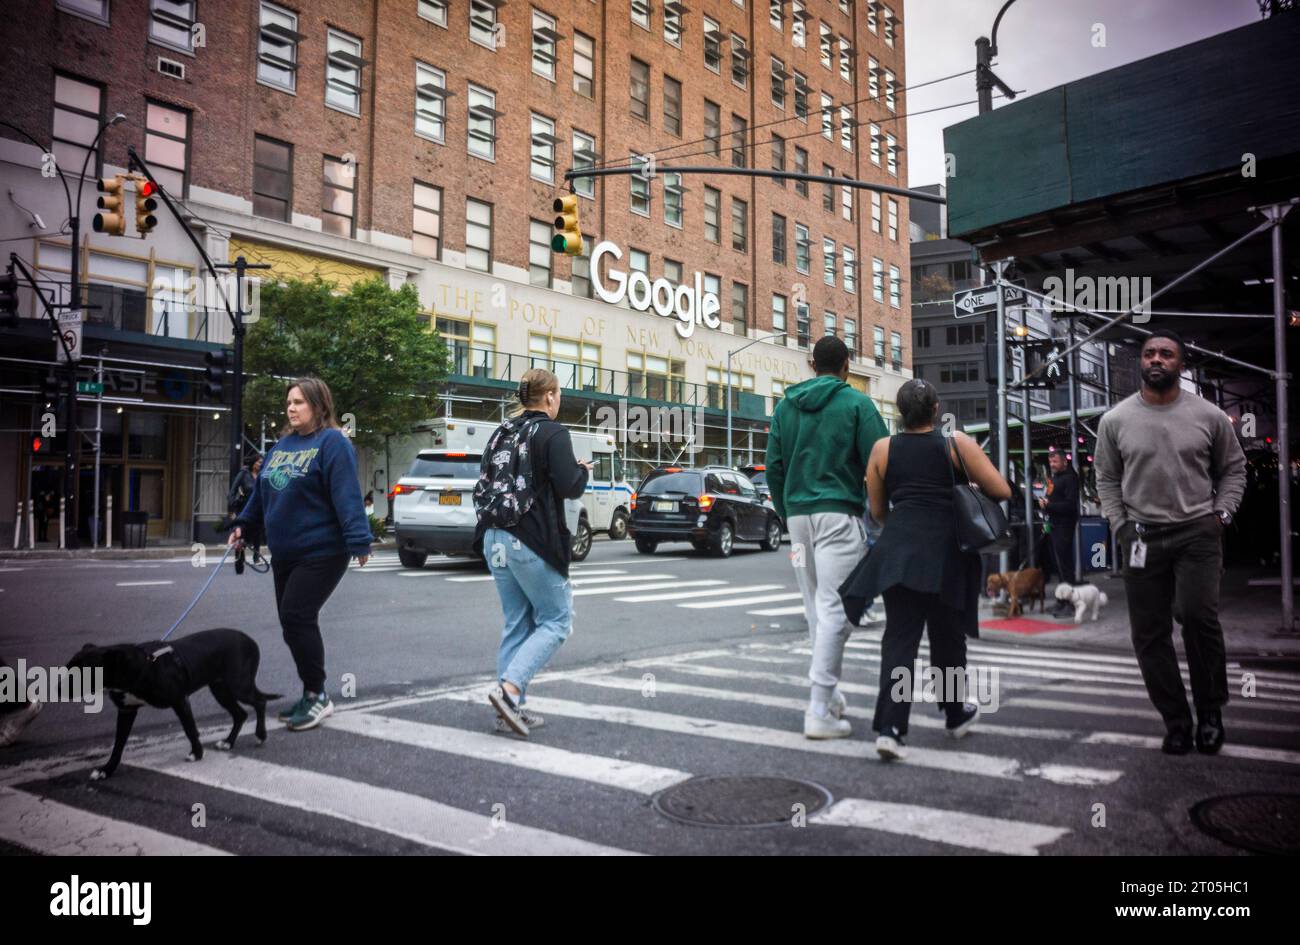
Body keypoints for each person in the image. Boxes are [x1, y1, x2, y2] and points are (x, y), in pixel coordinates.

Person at [841, 379, 1011, 761]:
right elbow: (1001, 490)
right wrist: (963, 486)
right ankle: (954, 715)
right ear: (936, 409)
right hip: (948, 553)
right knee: (948, 639)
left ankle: (891, 729)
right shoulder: (957, 444)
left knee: (899, 641)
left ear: (900, 413)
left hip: (899, 553)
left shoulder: (883, 449)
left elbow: (878, 511)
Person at [1095, 330, 1246, 755]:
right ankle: (1177, 720)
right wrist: (1120, 524)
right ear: (1140, 363)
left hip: (1198, 531)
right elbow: (1105, 478)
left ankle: (1211, 713)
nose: (1156, 359)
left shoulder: (1209, 416)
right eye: (1149, 354)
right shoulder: (1116, 420)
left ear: (1181, 363)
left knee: (1198, 617)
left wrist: (1223, 514)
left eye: (1166, 354)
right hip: (1141, 535)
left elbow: (1234, 469)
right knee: (1148, 632)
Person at [229, 377, 371, 732]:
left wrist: (359, 539)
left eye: (299, 402)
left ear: (319, 406)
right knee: (291, 624)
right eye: (289, 402)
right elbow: (262, 495)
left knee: (297, 615)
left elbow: (346, 494)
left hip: (323, 550)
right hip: (286, 552)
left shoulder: (333, 443)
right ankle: (312, 694)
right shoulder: (282, 446)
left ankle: (318, 696)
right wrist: (244, 526)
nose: (291, 408)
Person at [765, 336, 889, 739]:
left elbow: (774, 467)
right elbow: (881, 459)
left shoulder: (785, 407)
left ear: (812, 364)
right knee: (837, 609)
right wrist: (877, 512)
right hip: (838, 515)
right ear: (847, 366)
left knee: (816, 606)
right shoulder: (857, 404)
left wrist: (787, 514)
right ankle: (818, 707)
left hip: (798, 521)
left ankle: (828, 696)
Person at [475, 368, 591, 736]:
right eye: (559, 395)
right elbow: (570, 486)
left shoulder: (501, 432)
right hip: (530, 538)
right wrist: (582, 471)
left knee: (517, 623)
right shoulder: (554, 432)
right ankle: (509, 693)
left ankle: (510, 709)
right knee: (556, 620)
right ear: (550, 397)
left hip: (494, 537)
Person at [1041, 448, 1080, 615]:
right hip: (1054, 523)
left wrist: (1049, 505)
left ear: (1065, 461)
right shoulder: (1054, 478)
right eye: (1051, 462)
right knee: (1059, 565)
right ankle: (1061, 600)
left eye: (1055, 461)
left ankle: (1069, 602)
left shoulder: (1071, 478)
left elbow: (1071, 505)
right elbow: (1051, 496)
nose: (1052, 464)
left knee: (1065, 565)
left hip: (1064, 524)